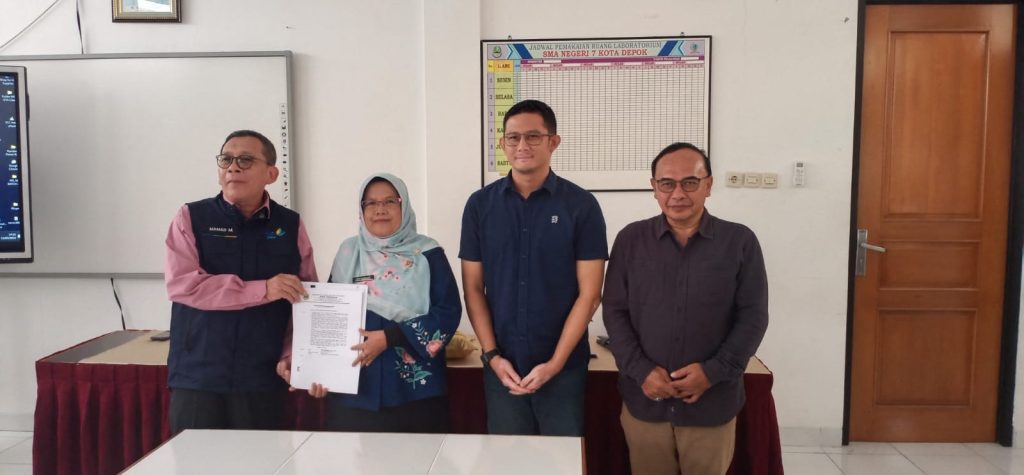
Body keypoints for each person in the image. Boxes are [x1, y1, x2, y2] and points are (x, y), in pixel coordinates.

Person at [602, 142, 769, 474]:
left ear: (708, 185)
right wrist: (641, 370)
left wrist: (712, 372)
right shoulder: (631, 240)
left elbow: (753, 316)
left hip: (712, 403)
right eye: (667, 183)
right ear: (654, 188)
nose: (678, 193)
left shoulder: (739, 241)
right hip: (646, 400)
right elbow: (614, 311)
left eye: (690, 182)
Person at [459, 99, 607, 436]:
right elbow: (473, 288)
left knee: (561, 458)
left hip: (564, 369)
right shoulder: (480, 206)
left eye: (533, 136)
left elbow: (590, 295)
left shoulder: (581, 206)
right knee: (506, 459)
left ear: (553, 142)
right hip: (502, 366)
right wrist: (492, 356)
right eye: (513, 137)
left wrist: (554, 364)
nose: (522, 145)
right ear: (503, 144)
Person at [278, 173, 461, 433]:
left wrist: (389, 337)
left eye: (390, 201)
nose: (380, 210)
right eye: (371, 203)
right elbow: (328, 316)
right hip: (353, 394)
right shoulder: (348, 252)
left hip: (414, 395)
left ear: (404, 205)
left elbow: (448, 313)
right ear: (361, 210)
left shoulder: (428, 254)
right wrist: (319, 372)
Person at [164, 129, 317, 435]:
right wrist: (263, 289)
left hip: (262, 377)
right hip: (199, 376)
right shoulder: (191, 217)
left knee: (261, 459)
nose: (233, 167)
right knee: (198, 459)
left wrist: (292, 354)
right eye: (226, 159)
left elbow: (305, 298)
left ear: (271, 174)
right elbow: (183, 285)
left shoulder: (290, 224)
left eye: (246, 160)